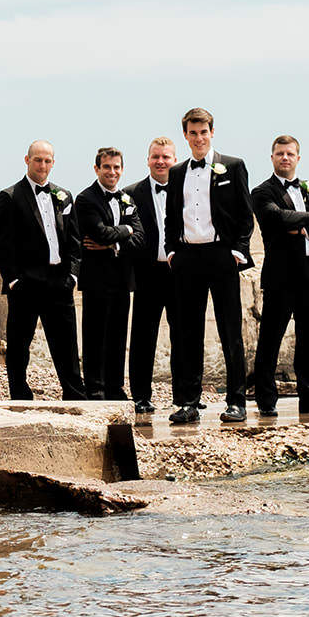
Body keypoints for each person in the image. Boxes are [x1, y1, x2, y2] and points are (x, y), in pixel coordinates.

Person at [164, 107, 254, 424]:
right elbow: (172, 217)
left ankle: (237, 402)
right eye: (193, 132)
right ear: (185, 135)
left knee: (230, 331)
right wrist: (172, 251)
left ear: (212, 133)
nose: (199, 138)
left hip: (221, 255)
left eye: (204, 132)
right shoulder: (177, 173)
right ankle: (189, 401)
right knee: (188, 332)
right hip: (187, 257)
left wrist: (238, 251)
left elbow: (246, 215)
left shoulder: (233, 166)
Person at [250, 135, 309, 417]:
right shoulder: (262, 192)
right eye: (279, 154)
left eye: (289, 153)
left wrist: (302, 224)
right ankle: (266, 399)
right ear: (272, 158)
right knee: (271, 338)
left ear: (298, 158)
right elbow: (275, 219)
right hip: (282, 275)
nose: (284, 158)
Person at [0, 140, 85, 401]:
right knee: (20, 346)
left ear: (53, 163)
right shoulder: (10, 197)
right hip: (26, 284)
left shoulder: (64, 195)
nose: (42, 165)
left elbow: (74, 241)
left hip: (60, 283)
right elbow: (3, 244)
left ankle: (75, 396)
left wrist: (73, 276)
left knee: (66, 345)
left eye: (47, 161)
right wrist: (13, 281)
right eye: (38, 160)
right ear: (27, 160)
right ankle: (20, 397)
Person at [75, 147, 146, 400]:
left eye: (116, 167)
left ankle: (115, 388)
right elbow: (98, 233)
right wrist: (125, 231)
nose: (112, 172)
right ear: (97, 169)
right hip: (96, 279)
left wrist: (114, 244)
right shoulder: (85, 199)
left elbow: (141, 239)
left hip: (122, 279)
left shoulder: (127, 199)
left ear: (122, 169)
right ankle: (94, 388)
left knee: (118, 336)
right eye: (107, 167)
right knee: (95, 336)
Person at [123, 136, 177, 415]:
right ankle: (141, 396)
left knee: (184, 336)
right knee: (143, 338)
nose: (160, 161)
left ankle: (185, 396)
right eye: (156, 156)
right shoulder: (131, 193)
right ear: (148, 160)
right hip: (147, 275)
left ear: (174, 160)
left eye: (166, 157)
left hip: (180, 274)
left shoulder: (186, 190)